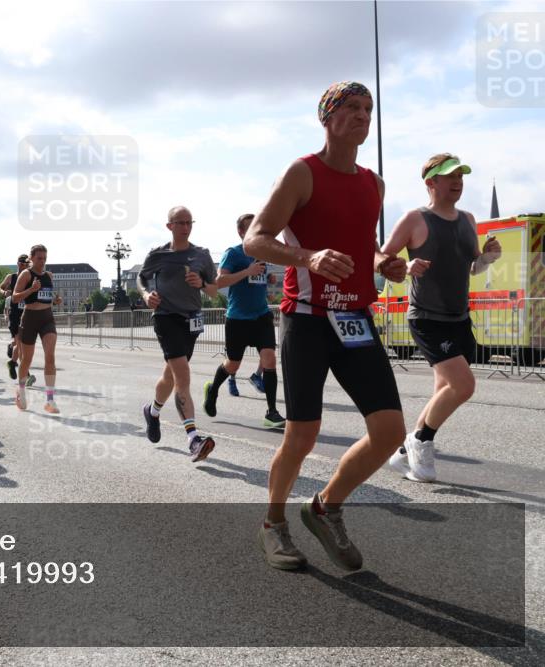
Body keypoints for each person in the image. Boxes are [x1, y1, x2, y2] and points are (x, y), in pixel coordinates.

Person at [244, 81, 408, 571]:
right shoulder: (302, 172)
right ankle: (273, 523)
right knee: (303, 435)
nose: (362, 115)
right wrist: (307, 256)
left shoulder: (374, 183)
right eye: (352, 108)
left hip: (356, 319)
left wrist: (384, 262)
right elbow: (256, 239)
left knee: (388, 432)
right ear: (327, 117)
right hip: (307, 320)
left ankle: (326, 507)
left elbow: (362, 244)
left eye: (368, 108)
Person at [382, 154, 501, 483]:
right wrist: (405, 267)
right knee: (464, 386)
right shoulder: (414, 219)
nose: (458, 180)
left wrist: (488, 258)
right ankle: (421, 441)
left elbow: (473, 265)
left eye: (461, 174)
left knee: (444, 391)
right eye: (450, 175)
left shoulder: (468, 219)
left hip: (459, 318)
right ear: (431, 182)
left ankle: (405, 451)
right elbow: (382, 256)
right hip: (427, 318)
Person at [137, 206, 219, 462]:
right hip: (165, 317)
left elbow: (214, 291)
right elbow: (141, 277)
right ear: (169, 226)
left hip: (191, 321)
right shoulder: (158, 254)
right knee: (183, 375)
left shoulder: (202, 255)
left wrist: (202, 284)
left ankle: (152, 411)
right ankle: (193, 439)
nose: (185, 227)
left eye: (189, 222)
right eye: (180, 223)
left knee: (170, 376)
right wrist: (145, 294)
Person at [203, 213, 285, 428]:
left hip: (261, 315)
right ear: (241, 232)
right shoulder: (233, 253)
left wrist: (268, 278)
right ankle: (213, 390)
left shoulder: (261, 254)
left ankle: (272, 413)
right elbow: (219, 282)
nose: (256, 231)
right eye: (250, 228)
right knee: (233, 364)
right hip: (238, 318)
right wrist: (247, 271)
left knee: (269, 359)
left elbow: (256, 279)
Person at [12, 244, 63, 413]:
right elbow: (14, 297)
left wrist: (55, 300)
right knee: (27, 359)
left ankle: (50, 400)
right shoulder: (26, 274)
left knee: (50, 356)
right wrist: (31, 289)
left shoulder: (49, 275)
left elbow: (47, 297)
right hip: (30, 319)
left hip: (47, 318)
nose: (42, 262)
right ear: (32, 258)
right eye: (39, 258)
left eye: (45, 258)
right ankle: (21, 390)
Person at [0, 254, 31, 380]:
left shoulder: (30, 277)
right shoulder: (11, 277)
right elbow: (0, 287)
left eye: (26, 264)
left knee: (23, 344)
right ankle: (25, 374)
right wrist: (4, 292)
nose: (24, 266)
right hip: (15, 314)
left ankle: (13, 363)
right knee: (20, 343)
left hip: (27, 313)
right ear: (18, 264)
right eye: (22, 264)